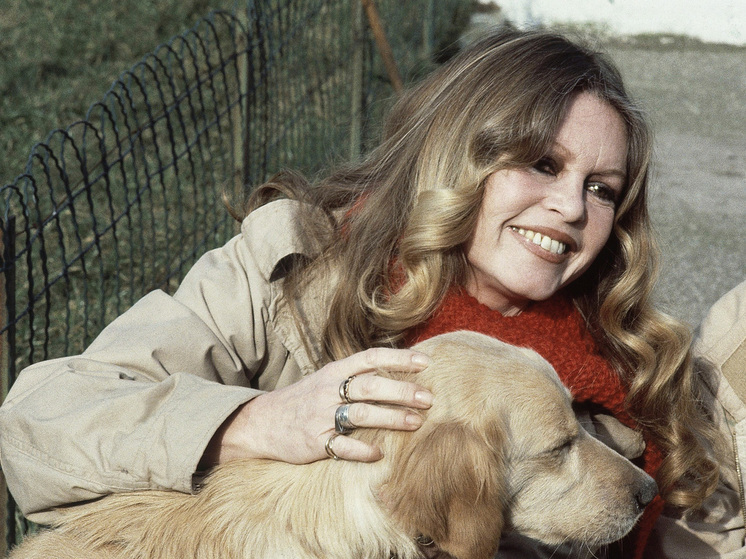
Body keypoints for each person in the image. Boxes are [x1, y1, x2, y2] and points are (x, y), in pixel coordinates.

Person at [0, 28, 744, 559]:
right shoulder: (296, 269)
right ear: (458, 154)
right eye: (542, 164)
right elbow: (40, 418)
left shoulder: (631, 352)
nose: (572, 207)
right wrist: (255, 421)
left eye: (602, 188)